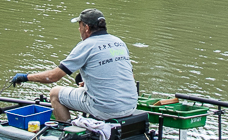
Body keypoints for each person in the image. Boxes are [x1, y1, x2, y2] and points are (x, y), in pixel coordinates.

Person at [10, 8, 139, 122]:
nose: (79, 29)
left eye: (80, 25)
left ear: (86, 28)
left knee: (55, 93)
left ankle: (66, 138)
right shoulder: (119, 43)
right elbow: (129, 76)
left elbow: (53, 77)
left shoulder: (86, 45)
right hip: (130, 105)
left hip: (105, 110)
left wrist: (26, 77)